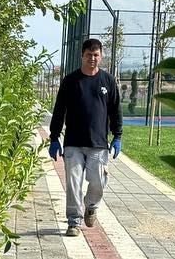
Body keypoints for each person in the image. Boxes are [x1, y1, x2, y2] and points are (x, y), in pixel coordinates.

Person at [48, 38, 123, 236]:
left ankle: (91, 205)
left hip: (98, 143)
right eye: (89, 55)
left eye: (96, 55)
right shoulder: (71, 81)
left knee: (98, 181)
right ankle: (74, 221)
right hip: (73, 143)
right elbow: (59, 111)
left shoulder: (108, 81)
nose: (92, 58)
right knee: (73, 183)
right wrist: (54, 138)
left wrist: (117, 136)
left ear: (101, 57)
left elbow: (116, 110)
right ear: (82, 55)